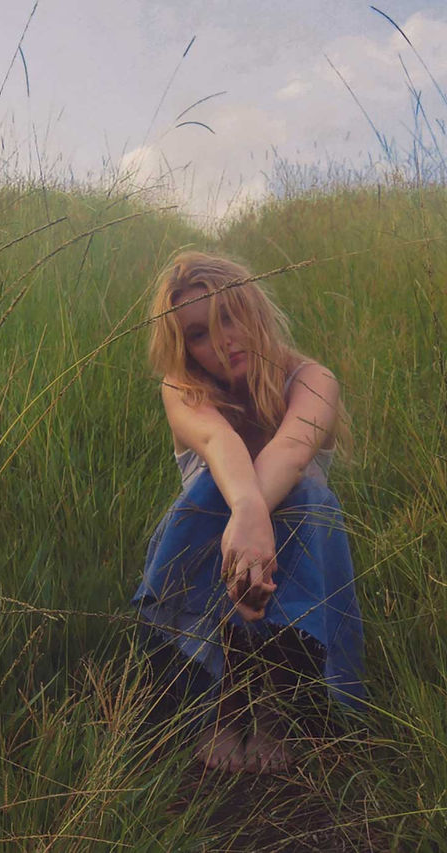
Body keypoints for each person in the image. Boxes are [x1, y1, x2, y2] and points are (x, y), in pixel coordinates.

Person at [132, 250, 366, 774]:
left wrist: (255, 521)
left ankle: (275, 706)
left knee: (306, 498)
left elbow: (290, 450)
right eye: (198, 333)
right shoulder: (183, 387)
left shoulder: (310, 379)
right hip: (213, 567)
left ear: (254, 308)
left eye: (229, 317)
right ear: (183, 345)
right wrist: (243, 512)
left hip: (294, 570)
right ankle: (223, 702)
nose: (220, 341)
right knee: (211, 496)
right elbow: (218, 441)